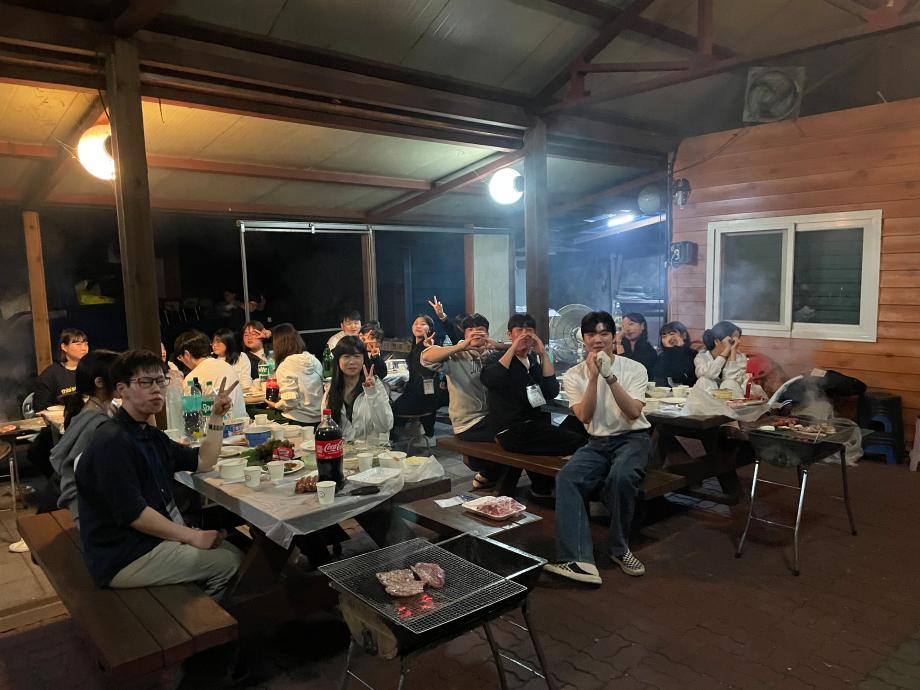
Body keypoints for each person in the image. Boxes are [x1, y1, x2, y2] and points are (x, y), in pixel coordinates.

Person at [75, 350, 242, 599]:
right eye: (145, 382)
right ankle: (197, 619)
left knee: (236, 552)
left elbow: (203, 461)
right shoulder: (112, 441)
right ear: (122, 390)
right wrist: (192, 536)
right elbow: (134, 514)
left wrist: (216, 415)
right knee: (228, 563)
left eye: (161, 381)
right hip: (123, 555)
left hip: (145, 541)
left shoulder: (148, 435)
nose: (156, 390)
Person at [544, 311, 651, 585]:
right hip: (597, 442)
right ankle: (578, 559)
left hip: (633, 438)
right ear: (583, 338)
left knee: (621, 477)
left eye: (604, 333)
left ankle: (620, 548)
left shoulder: (634, 368)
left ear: (613, 337)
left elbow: (633, 412)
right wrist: (593, 378)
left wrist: (609, 376)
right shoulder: (574, 375)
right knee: (567, 478)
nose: (598, 339)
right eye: (591, 334)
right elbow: (584, 416)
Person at [481, 313, 586, 497]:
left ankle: (543, 487)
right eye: (519, 330)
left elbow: (551, 391)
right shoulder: (497, 359)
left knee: (579, 425)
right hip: (512, 431)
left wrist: (543, 354)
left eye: (529, 330)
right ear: (509, 334)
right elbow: (492, 379)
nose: (524, 335)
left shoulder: (532, 362)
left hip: (534, 427)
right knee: (578, 442)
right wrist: (512, 348)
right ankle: (557, 486)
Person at [421, 313, 503, 489]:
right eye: (471, 330)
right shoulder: (456, 356)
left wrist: (499, 345)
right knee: (511, 435)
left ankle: (491, 476)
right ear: (464, 334)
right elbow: (426, 357)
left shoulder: (494, 354)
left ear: (488, 333)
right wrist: (462, 346)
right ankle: (496, 479)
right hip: (468, 423)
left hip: (492, 418)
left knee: (516, 432)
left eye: (481, 329)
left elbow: (524, 349)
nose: (476, 333)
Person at [49, 350, 120, 529]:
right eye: (119, 375)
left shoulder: (105, 408)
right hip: (86, 512)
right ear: (99, 382)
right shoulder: (95, 422)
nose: (125, 380)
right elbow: (74, 478)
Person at [322, 336, 393, 444]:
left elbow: (385, 426)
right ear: (338, 360)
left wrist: (372, 393)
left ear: (364, 359)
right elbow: (326, 429)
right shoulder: (331, 392)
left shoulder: (375, 385)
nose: (352, 362)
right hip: (343, 451)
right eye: (346, 357)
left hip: (372, 452)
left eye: (357, 356)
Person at [174, 330, 247, 420]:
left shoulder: (192, 379)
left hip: (218, 427)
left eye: (180, 357)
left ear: (187, 354)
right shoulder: (227, 366)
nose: (182, 361)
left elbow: (191, 418)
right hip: (244, 422)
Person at [391, 315, 441, 438]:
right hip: (416, 392)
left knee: (389, 410)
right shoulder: (415, 345)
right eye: (415, 323)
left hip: (423, 397)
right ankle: (409, 433)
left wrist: (430, 348)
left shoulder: (430, 347)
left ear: (430, 329)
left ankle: (395, 437)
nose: (418, 326)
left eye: (423, 324)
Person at [266, 323, 323, 426]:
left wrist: (275, 405)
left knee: (253, 412)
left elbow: (290, 401)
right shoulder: (315, 360)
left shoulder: (285, 365)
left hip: (296, 419)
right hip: (318, 418)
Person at [34, 328, 89, 412]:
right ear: (64, 347)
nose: (84, 348)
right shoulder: (50, 375)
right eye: (78, 344)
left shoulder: (90, 370)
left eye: (86, 344)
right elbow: (40, 407)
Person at [694, 320, 747, 397]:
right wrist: (725, 351)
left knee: (729, 383)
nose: (736, 343)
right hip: (709, 400)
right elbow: (709, 374)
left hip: (731, 400)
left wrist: (733, 354)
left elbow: (732, 381)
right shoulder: (702, 357)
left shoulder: (740, 357)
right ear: (717, 341)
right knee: (703, 380)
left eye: (737, 339)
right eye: (732, 341)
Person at [652, 321, 697, 388]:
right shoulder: (662, 357)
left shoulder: (693, 354)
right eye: (664, 336)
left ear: (684, 335)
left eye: (672, 334)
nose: (668, 338)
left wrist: (678, 349)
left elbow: (678, 378)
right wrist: (670, 350)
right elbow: (658, 377)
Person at [615, 313, 657, 379]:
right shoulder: (617, 347)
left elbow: (629, 368)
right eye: (623, 326)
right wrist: (618, 342)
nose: (627, 329)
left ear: (642, 326)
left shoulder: (649, 351)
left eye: (631, 324)